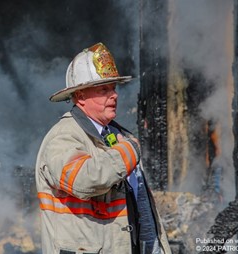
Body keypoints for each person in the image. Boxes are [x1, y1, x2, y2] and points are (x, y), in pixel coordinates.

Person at [35, 42, 171, 254]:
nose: (114, 95)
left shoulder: (121, 137)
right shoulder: (63, 137)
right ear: (80, 96)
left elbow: (141, 207)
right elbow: (84, 180)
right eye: (103, 89)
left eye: (114, 88)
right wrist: (127, 152)